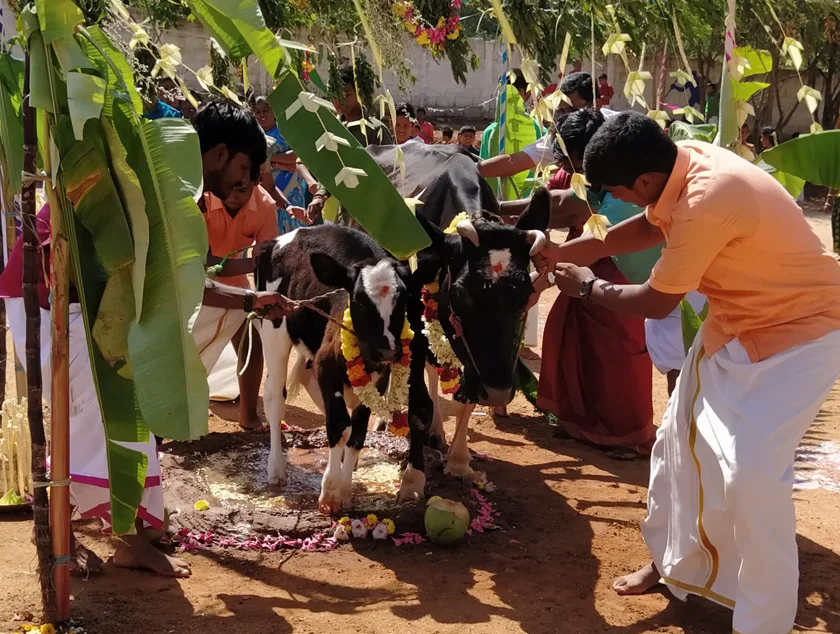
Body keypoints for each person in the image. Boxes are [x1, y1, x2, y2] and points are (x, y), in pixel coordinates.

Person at [536, 111, 840, 634]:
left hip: (802, 337)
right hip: (732, 328)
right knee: (676, 448)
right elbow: (639, 228)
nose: (611, 200)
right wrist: (568, 251)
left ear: (645, 181)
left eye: (613, 191)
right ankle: (672, 565)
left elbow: (656, 301)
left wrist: (587, 287)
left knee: (752, 478)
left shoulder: (706, 198)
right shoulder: (680, 167)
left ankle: (762, 622)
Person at [0, 205, 190, 577]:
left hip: (89, 307)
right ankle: (116, 541)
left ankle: (113, 539)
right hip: (56, 304)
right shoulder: (97, 184)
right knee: (96, 426)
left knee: (100, 425)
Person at [505, 109, 657, 454]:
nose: (571, 165)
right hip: (583, 270)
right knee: (574, 344)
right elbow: (549, 203)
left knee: (616, 355)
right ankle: (583, 424)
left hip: (617, 272)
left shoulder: (615, 191)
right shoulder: (585, 182)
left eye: (574, 157)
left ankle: (629, 436)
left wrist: (551, 260)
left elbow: (591, 231)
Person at [201, 179, 280, 429]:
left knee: (251, 345)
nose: (234, 196)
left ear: (255, 182)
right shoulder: (199, 200)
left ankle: (248, 415)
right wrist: (251, 263)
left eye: (242, 190)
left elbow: (269, 260)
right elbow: (200, 260)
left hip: (236, 285)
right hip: (195, 285)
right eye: (229, 188)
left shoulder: (266, 206)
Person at [478, 72, 612, 182]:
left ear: (597, 104)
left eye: (572, 110)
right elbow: (513, 162)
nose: (566, 117)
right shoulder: (561, 138)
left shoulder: (618, 130)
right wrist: (467, 170)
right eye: (560, 111)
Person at [307, 63, 393, 223]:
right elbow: (333, 170)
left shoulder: (375, 130)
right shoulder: (333, 129)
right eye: (334, 94)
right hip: (344, 215)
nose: (338, 100)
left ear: (359, 94)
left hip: (375, 214)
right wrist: (320, 195)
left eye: (346, 94)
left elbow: (391, 172)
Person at [480, 69, 544, 199]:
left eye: (516, 93)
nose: (509, 98)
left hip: (529, 200)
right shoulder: (490, 132)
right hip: (496, 201)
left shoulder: (539, 130)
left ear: (527, 94)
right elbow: (483, 167)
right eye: (504, 93)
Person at [252, 96, 309, 232]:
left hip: (290, 186)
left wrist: (270, 159)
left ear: (274, 112)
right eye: (258, 112)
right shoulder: (255, 136)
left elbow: (296, 156)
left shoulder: (285, 132)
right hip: (265, 185)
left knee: (292, 218)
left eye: (265, 110)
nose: (262, 115)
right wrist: (277, 164)